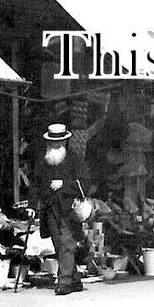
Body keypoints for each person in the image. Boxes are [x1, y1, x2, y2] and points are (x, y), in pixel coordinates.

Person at [34, 123, 90, 296]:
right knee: (59, 245)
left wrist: (64, 184)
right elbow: (35, 184)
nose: (56, 146)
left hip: (68, 209)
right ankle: (74, 280)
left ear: (65, 142)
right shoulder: (43, 161)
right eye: (53, 143)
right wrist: (31, 206)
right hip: (50, 210)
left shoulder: (74, 159)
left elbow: (85, 183)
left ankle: (64, 282)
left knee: (66, 243)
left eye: (59, 142)